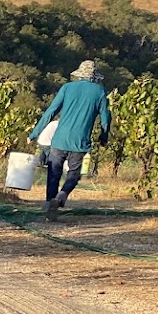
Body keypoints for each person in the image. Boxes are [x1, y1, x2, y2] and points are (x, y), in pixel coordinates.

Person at [29, 61, 110, 219]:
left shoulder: (67, 88)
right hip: (80, 141)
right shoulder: (100, 91)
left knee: (54, 172)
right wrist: (103, 137)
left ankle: (49, 204)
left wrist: (34, 134)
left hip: (60, 139)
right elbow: (105, 119)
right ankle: (62, 195)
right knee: (73, 173)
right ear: (95, 77)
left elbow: (51, 111)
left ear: (79, 75)